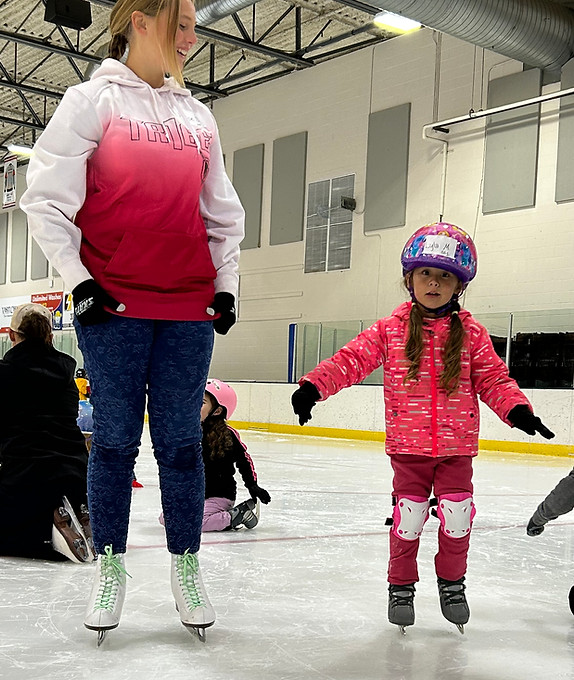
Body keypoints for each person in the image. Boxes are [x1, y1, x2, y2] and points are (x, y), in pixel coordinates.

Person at [20, 0, 244, 642]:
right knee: (114, 444)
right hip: (114, 308)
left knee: (180, 445)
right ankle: (111, 567)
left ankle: (186, 566)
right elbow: (44, 198)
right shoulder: (92, 102)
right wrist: (80, 281)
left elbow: (223, 215)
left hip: (186, 309)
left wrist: (225, 285)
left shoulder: (199, 117)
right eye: (184, 21)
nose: (193, 35)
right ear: (141, 19)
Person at [291, 222, 555, 634]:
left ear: (458, 285)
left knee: (458, 515)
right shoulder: (390, 329)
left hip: (456, 448)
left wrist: (517, 410)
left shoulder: (471, 333)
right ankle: (401, 585)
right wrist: (313, 386)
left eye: (445, 275)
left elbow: (493, 379)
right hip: (409, 448)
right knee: (409, 517)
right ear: (409, 278)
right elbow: (351, 360)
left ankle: (452, 582)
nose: (434, 283)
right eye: (425, 274)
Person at [0, 303, 94, 563]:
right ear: (51, 337)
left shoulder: (5, 374)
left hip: (26, 476)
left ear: (11, 336)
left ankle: (49, 529)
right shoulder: (67, 377)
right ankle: (79, 514)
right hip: (75, 472)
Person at [159, 380, 271, 531]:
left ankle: (235, 515)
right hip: (194, 493)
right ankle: (219, 518)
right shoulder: (188, 432)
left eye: (202, 402)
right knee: (166, 519)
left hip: (218, 496)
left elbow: (244, 460)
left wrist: (252, 485)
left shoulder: (227, 434)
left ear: (217, 411)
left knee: (197, 523)